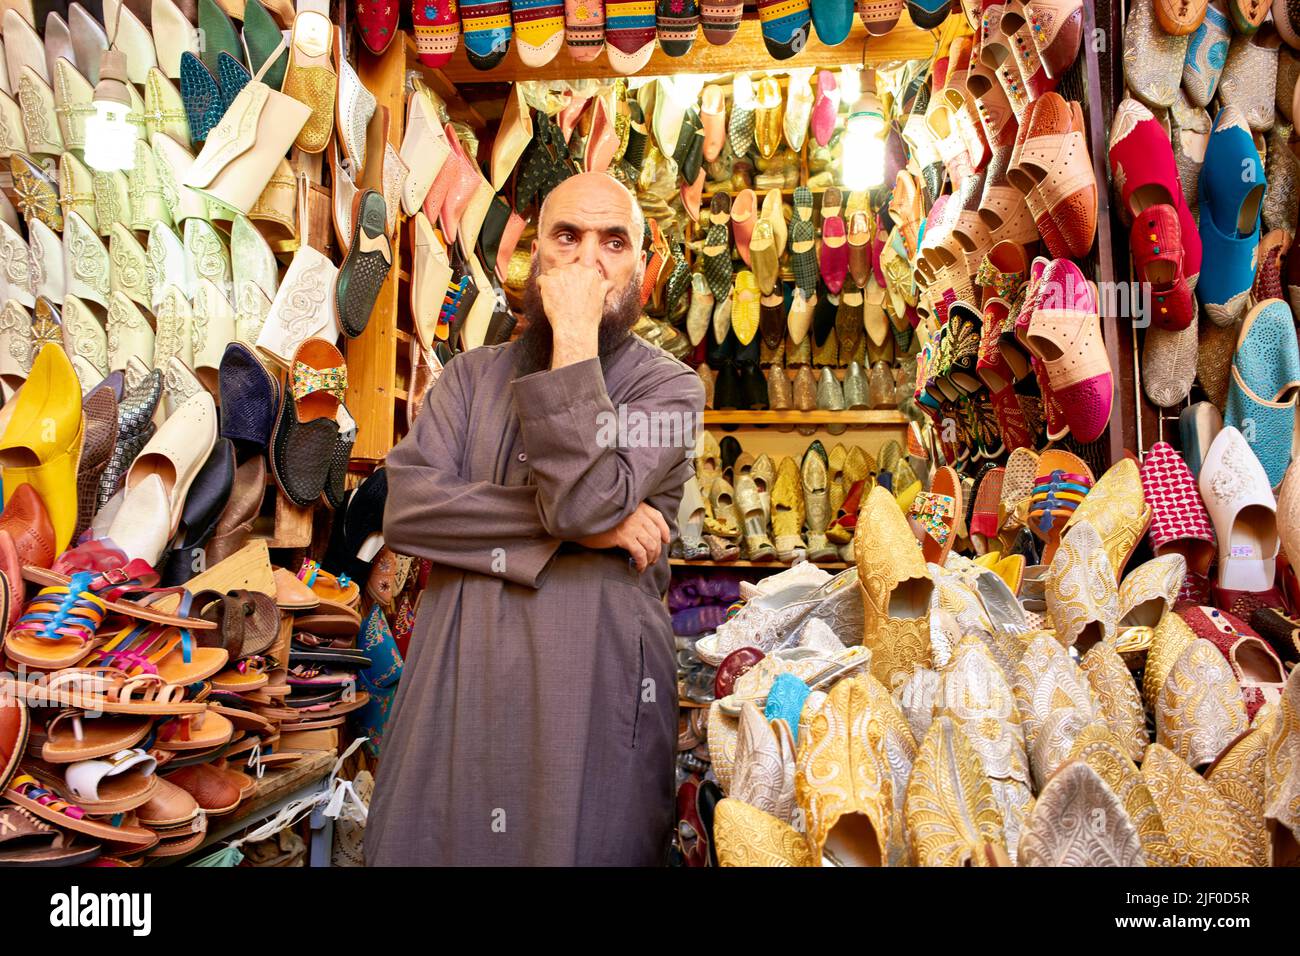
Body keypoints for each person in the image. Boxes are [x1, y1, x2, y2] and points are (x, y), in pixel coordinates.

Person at [365, 172, 705, 865]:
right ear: (535, 255)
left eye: (614, 242)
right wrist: (590, 529)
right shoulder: (468, 376)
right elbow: (406, 510)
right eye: (567, 237)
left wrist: (576, 335)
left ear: (641, 264)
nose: (588, 261)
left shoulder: (672, 388)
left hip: (591, 681)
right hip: (460, 677)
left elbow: (579, 498)